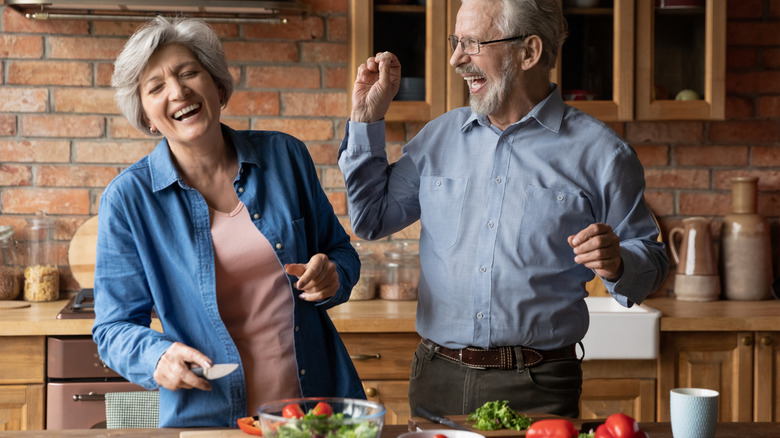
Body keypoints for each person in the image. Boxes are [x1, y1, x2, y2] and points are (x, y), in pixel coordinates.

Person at [339, 0, 669, 419]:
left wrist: (620, 261)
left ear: (529, 52)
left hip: (540, 384)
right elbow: (370, 220)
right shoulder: (438, 137)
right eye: (456, 42)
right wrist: (365, 120)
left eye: (473, 43)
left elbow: (652, 264)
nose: (457, 59)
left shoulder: (603, 154)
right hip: (436, 376)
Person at [92, 16, 364, 428]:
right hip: (210, 419)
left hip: (315, 412)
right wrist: (157, 357)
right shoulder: (128, 200)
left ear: (217, 86)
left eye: (188, 73)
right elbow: (113, 329)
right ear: (147, 116)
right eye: (156, 87)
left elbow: (341, 253)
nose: (178, 91)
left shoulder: (285, 158)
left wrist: (333, 275)